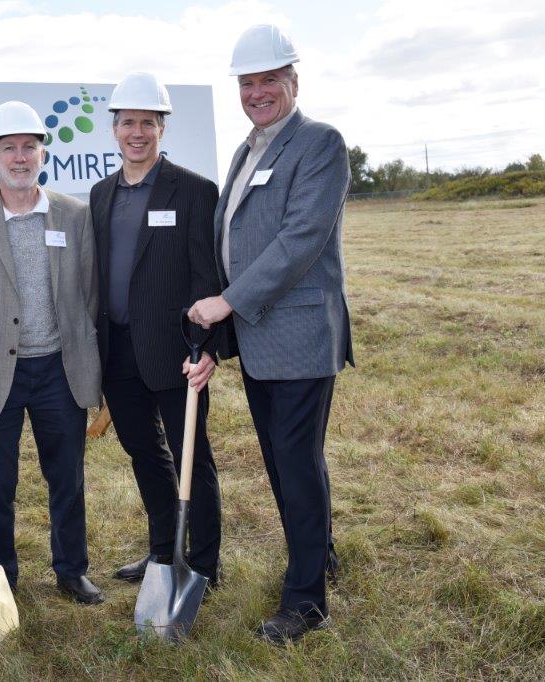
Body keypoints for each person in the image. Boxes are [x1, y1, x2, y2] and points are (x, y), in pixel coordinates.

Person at [187, 24, 354, 644]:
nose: (257, 92)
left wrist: (227, 302)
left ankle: (306, 601)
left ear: (293, 80)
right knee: (289, 462)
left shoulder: (318, 143)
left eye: (269, 80)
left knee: (296, 462)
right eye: (247, 82)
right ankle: (320, 555)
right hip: (260, 339)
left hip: (300, 335)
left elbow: (299, 242)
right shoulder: (250, 147)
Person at [0, 101, 104, 604]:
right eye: (9, 148)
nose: (20, 157)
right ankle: (0, 578)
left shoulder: (75, 215)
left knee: (67, 478)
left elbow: (91, 293)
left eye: (29, 147)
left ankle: (71, 570)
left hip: (59, 369)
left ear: (43, 154)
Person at [89, 72, 233, 588]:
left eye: (147, 122)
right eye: (128, 122)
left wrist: (210, 348)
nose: (137, 132)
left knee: (194, 456)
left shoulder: (194, 191)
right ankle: (161, 554)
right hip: (119, 353)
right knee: (145, 454)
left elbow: (210, 278)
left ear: (162, 128)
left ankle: (205, 564)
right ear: (114, 129)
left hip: (178, 352)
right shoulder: (100, 194)